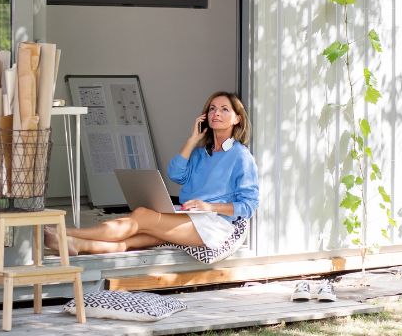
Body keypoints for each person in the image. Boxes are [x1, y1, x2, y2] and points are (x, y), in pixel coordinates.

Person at [46, 91, 259, 256]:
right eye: (212, 109)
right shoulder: (201, 152)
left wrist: (209, 206)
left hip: (214, 224)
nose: (216, 114)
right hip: (187, 217)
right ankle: (76, 245)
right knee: (135, 238)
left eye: (224, 109)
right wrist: (192, 140)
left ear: (237, 119)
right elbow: (176, 174)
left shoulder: (241, 156)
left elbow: (249, 205)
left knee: (141, 215)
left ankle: (66, 233)